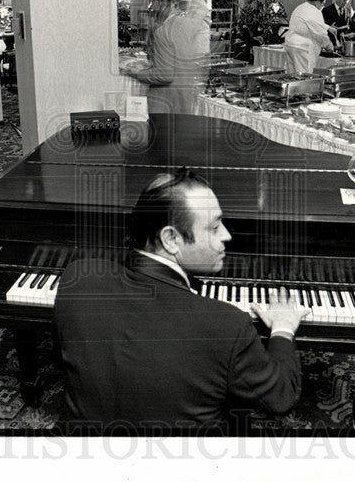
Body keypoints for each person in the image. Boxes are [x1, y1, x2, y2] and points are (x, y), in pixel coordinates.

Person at [54, 168, 309, 430]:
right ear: (171, 239)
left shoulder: (77, 278)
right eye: (213, 227)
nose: (227, 235)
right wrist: (282, 329)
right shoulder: (227, 324)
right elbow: (281, 397)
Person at [127, 0, 210, 114]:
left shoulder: (163, 31)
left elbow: (164, 76)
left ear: (172, 4)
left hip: (164, 102)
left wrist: (137, 73)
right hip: (186, 99)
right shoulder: (191, 27)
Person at [282, 0, 336, 74]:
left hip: (291, 44)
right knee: (304, 75)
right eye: (322, 4)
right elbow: (320, 33)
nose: (322, 6)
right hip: (303, 47)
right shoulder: (314, 11)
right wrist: (329, 45)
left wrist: (328, 28)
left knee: (292, 74)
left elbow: (310, 22)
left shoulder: (301, 7)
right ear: (317, 2)